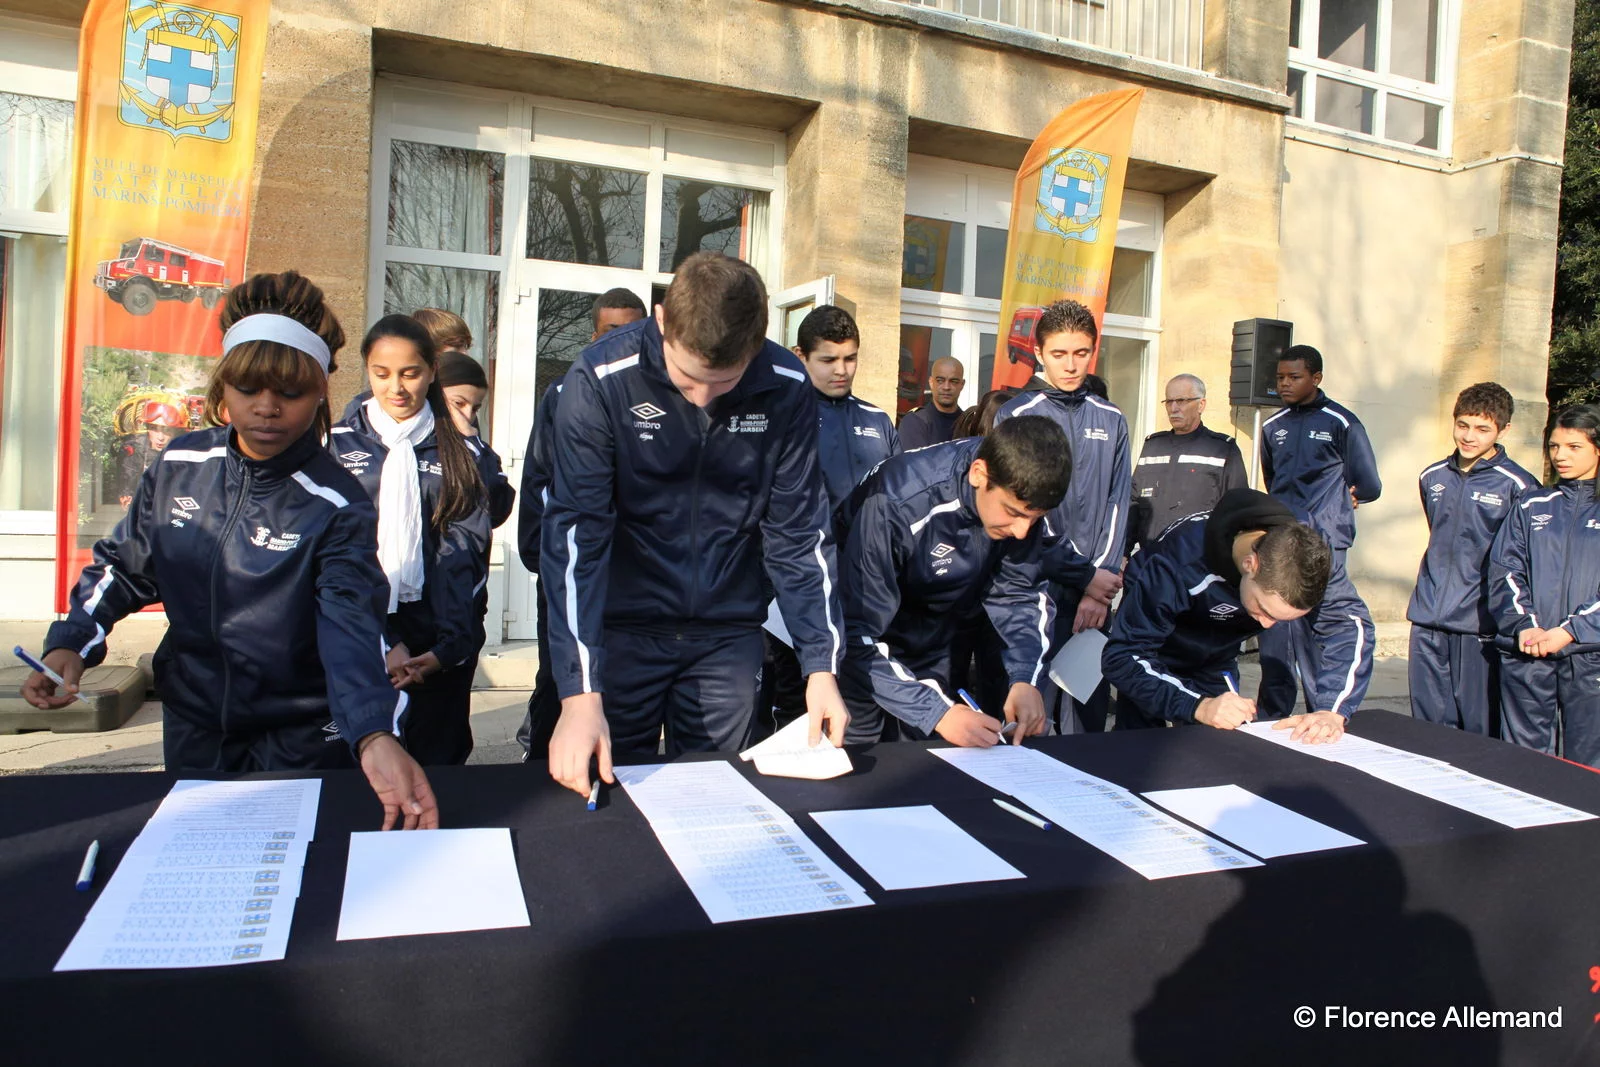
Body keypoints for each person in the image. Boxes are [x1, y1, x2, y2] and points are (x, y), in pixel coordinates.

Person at [23, 271, 437, 828]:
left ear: (319, 392)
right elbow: (125, 564)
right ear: (223, 390)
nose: (267, 407)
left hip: (299, 733)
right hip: (195, 721)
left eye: (289, 393)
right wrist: (71, 643)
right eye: (249, 389)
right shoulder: (180, 466)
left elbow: (349, 624)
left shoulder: (337, 502)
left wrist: (372, 732)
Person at [539, 253, 848, 797]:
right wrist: (579, 690)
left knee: (717, 797)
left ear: (757, 344)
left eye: (724, 383)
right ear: (661, 321)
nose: (704, 400)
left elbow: (799, 530)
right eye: (688, 378)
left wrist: (820, 663)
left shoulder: (786, 385)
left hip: (726, 635)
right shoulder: (600, 381)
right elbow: (575, 539)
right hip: (623, 630)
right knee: (608, 795)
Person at [835, 416, 1066, 745]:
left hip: (933, 635)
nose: (1021, 531)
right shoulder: (897, 503)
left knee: (926, 759)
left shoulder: (1020, 490)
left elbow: (1019, 594)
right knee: (861, 757)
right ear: (979, 474)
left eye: (1035, 519)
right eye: (1013, 513)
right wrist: (936, 712)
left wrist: (1025, 678)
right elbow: (855, 631)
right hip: (860, 646)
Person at [331, 315, 490, 766]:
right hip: (362, 637)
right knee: (362, 777)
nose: (396, 388)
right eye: (381, 374)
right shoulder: (336, 447)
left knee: (439, 766)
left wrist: (445, 649)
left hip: (434, 642)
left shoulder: (460, 450)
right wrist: (382, 642)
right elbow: (334, 560)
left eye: (410, 373)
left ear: (433, 371)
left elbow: (465, 553)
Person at [1103, 487, 1359, 744]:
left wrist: (1331, 710)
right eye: (1264, 610)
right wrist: (1199, 707)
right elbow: (1123, 656)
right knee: (1140, 749)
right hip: (1153, 656)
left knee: (1225, 745)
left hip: (1217, 658)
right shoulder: (1178, 563)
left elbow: (1347, 624)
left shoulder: (1311, 550)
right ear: (1250, 564)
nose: (1268, 625)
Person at [757, 304, 900, 738]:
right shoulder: (778, 417)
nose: (842, 370)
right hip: (792, 592)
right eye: (828, 360)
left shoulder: (877, 421)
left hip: (865, 593)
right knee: (793, 704)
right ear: (800, 355)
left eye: (850, 358)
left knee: (859, 708)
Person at [516, 287, 647, 761]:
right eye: (615, 330)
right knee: (561, 676)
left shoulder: (653, 394)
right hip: (568, 567)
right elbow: (539, 480)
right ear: (595, 334)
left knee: (614, 683)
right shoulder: (564, 390)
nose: (626, 339)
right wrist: (541, 560)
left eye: (635, 328)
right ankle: (540, 763)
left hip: (625, 574)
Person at [994, 299, 1127, 733]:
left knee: (1084, 712)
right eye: (1059, 354)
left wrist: (1097, 585)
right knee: (1030, 714)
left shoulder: (1112, 419)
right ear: (1039, 353)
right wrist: (1078, 572)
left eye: (1081, 353)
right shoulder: (1015, 415)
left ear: (1094, 351)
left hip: (1094, 594)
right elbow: (1017, 507)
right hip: (1034, 583)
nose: (1071, 365)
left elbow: (1116, 503)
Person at [1256, 344, 1381, 718]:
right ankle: (1271, 721)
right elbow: (1272, 479)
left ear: (1316, 378)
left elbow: (1369, 484)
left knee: (1316, 637)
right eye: (1280, 378)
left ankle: (1321, 714)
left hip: (1325, 545)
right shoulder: (1272, 426)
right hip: (1280, 544)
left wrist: (1342, 501)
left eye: (1294, 377)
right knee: (1276, 636)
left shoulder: (1341, 422)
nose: (1285, 384)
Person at [1408, 383, 1535, 735]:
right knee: (1428, 728)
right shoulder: (1431, 476)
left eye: (1482, 429)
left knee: (1478, 730)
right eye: (1463, 425)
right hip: (1427, 617)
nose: (1469, 436)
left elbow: (1521, 561)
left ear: (1503, 430)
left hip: (1479, 624)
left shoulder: (1519, 486)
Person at [1489, 404, 1600, 767]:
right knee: (1526, 765)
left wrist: (1570, 632)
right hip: (1529, 653)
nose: (1560, 456)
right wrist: (1524, 626)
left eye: (1573, 447)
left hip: (1589, 659)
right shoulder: (1533, 503)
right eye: (1554, 446)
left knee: (1586, 770)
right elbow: (1505, 569)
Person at [412, 308, 515, 530]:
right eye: (457, 347)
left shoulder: (463, 417)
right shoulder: (375, 412)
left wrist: (472, 443)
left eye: (466, 347)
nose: (464, 355)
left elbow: (495, 506)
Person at [1132, 374, 1248, 547]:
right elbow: (1132, 503)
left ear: (1201, 405)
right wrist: (1124, 553)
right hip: (1151, 557)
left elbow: (1237, 509)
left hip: (1197, 558)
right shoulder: (1153, 447)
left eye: (1181, 401)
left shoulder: (1222, 449)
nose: (1173, 408)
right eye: (1169, 402)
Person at [113, 399, 188, 507]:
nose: (160, 437)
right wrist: (127, 494)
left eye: (167, 431)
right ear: (147, 429)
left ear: (175, 432)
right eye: (154, 429)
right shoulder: (136, 449)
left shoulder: (183, 451)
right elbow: (127, 474)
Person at [899, 356, 965, 449]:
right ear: (931, 382)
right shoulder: (915, 422)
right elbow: (918, 462)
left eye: (953, 381)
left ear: (962, 385)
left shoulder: (969, 423)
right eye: (940, 381)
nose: (946, 387)